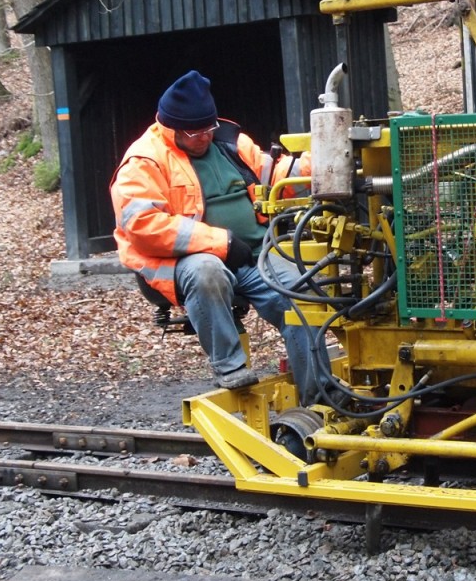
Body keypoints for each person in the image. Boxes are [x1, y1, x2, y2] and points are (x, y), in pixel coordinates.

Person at [110, 70, 326, 399]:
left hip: (255, 255)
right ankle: (229, 366)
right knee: (206, 272)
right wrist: (221, 244)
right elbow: (143, 226)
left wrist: (324, 163)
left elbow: (274, 175)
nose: (203, 137)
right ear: (171, 127)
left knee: (301, 296)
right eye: (194, 132)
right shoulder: (144, 160)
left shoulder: (230, 141)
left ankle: (320, 397)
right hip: (184, 262)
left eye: (207, 128)